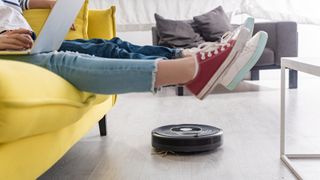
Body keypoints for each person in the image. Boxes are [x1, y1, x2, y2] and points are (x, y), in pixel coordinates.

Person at [0, 0, 268, 100]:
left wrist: (55, 6)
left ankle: (192, 56)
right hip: (7, 48)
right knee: (65, 61)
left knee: (109, 45)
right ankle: (195, 70)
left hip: (28, 40)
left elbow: (26, 2)